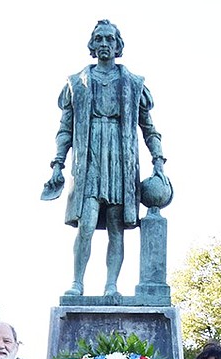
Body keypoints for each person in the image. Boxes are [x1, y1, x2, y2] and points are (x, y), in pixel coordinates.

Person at [43, 18, 166, 297]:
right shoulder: (77, 83)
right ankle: (77, 282)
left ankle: (111, 285)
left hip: (121, 159)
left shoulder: (133, 84)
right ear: (92, 44)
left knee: (116, 224)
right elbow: (64, 130)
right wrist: (57, 165)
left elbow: (149, 128)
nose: (103, 44)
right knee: (86, 222)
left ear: (118, 44)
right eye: (98, 39)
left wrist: (158, 160)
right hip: (88, 159)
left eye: (109, 39)